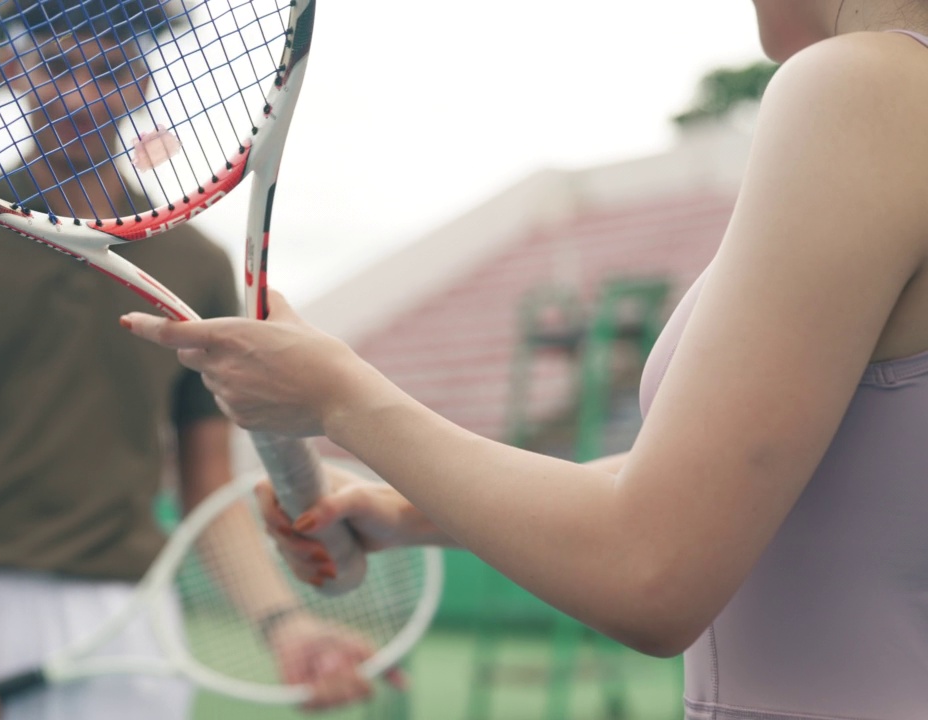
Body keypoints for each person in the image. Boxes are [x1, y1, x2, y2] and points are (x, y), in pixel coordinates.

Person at [123, 2, 928, 718]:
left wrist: (336, 396)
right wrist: (409, 510)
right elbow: (758, 488)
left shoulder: (865, 86)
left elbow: (652, 572)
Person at [0, 2, 371, 719]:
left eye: (106, 71)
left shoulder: (195, 265)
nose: (79, 95)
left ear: (140, 83)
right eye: (57, 66)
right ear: (14, 68)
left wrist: (283, 625)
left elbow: (206, 487)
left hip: (125, 620)